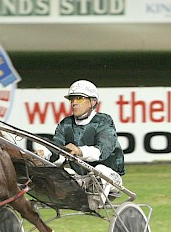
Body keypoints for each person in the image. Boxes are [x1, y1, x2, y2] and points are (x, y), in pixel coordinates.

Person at [35, 80, 125, 208]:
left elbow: (103, 150)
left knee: (99, 171)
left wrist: (79, 151)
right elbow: (56, 145)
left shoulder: (104, 121)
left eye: (79, 98)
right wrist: (43, 154)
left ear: (92, 102)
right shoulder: (65, 124)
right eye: (72, 99)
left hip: (108, 176)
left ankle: (95, 197)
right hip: (80, 177)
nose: (74, 103)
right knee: (55, 173)